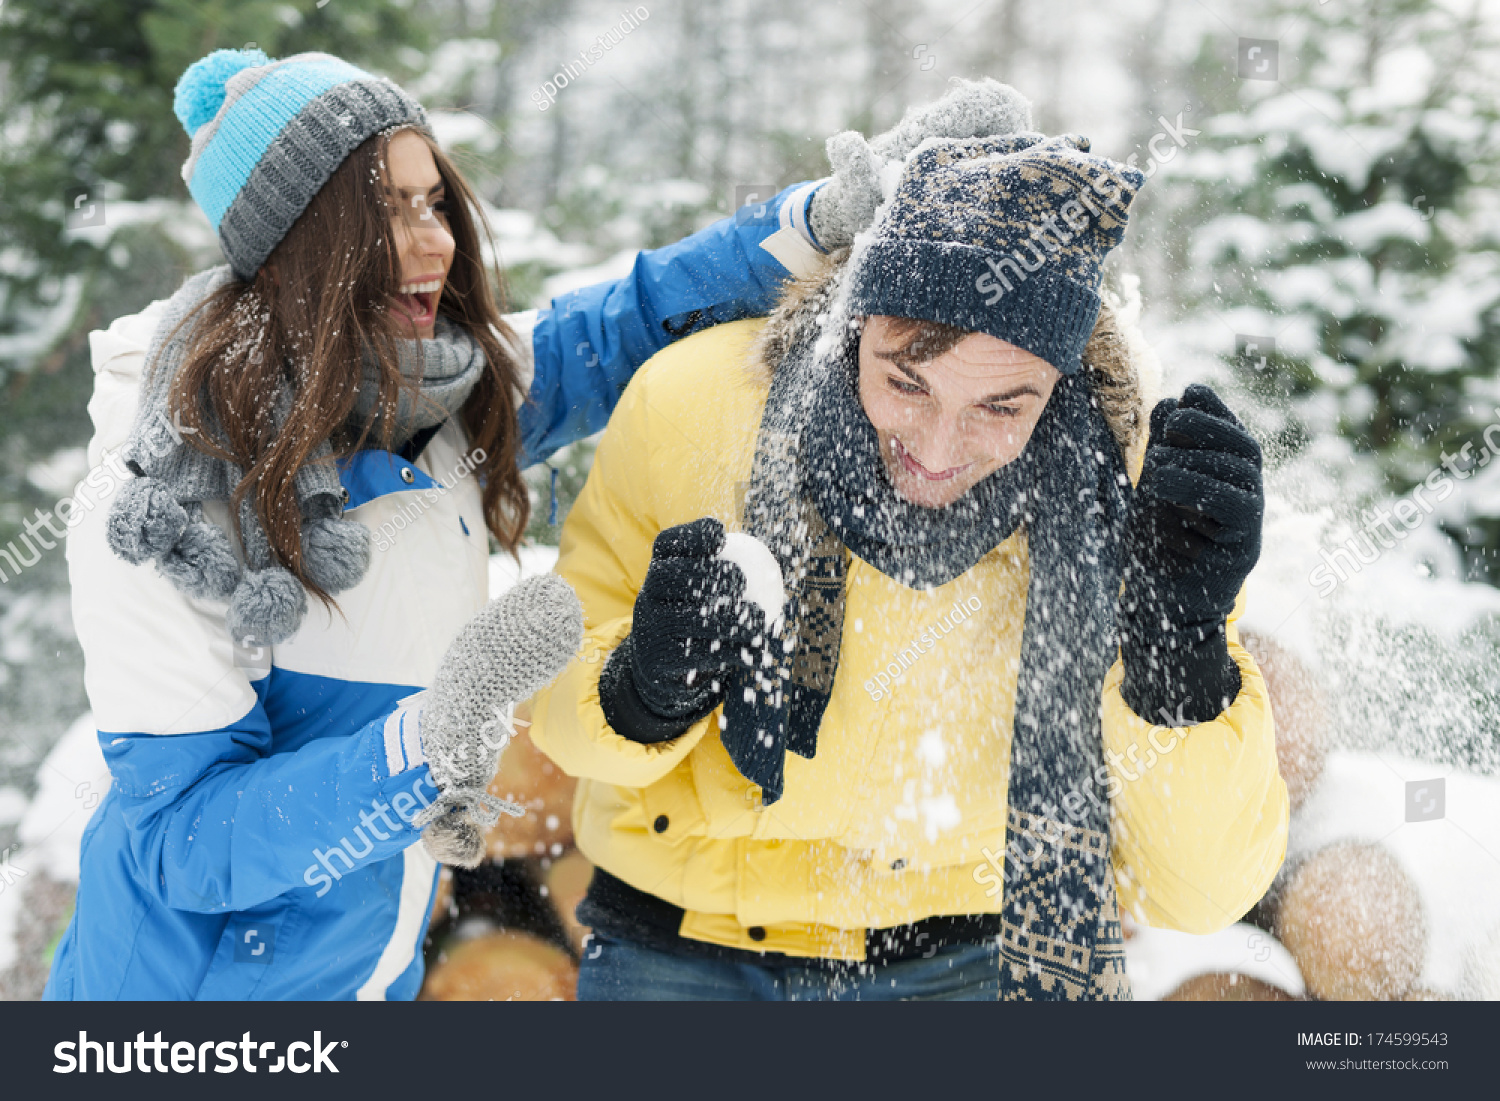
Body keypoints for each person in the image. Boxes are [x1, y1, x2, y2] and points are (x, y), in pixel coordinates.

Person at [44, 46, 1028, 1001]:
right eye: (385, 211)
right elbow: (180, 844)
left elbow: (627, 323)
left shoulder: (441, 399)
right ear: (294, 243)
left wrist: (825, 218)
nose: (433, 241)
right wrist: (422, 748)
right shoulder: (157, 510)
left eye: (433, 202)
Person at [528, 128, 1290, 1001]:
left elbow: (1205, 891)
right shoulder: (694, 404)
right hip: (682, 946)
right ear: (857, 321)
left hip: (968, 960)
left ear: (1065, 379)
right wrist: (645, 685)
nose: (935, 449)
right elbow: (557, 715)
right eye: (906, 382)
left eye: (1002, 406)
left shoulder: (1128, 476)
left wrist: (1181, 654)